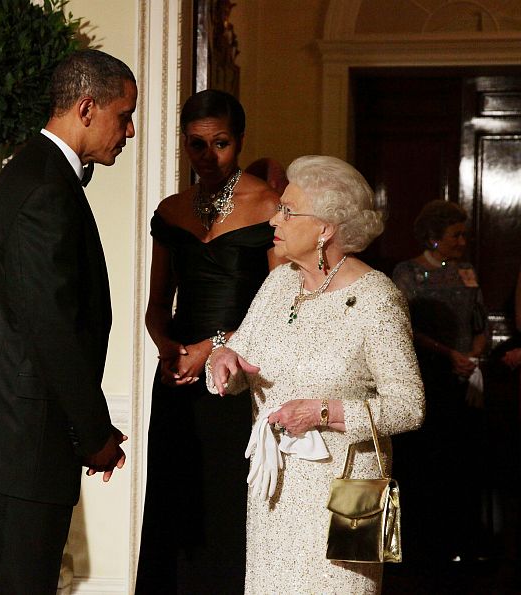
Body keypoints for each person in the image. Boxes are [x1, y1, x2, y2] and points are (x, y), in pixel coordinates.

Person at [0, 49, 135, 594]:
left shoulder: (37, 173)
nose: (128, 131)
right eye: (122, 115)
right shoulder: (44, 188)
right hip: (19, 443)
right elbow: (49, 327)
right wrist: (94, 431)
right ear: (85, 107)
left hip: (20, 440)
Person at [207, 155, 425, 594]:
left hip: (347, 496)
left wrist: (322, 412)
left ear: (324, 229)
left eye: (288, 210)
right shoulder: (280, 283)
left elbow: (409, 407)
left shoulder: (377, 300)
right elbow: (242, 361)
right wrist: (222, 361)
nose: (274, 218)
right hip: (275, 493)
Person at [135, 90, 280, 594]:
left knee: (227, 509)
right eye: (197, 145)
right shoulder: (171, 211)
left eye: (220, 143)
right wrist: (168, 350)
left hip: (239, 378)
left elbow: (280, 311)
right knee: (175, 509)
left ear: (238, 141)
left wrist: (213, 347)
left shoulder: (269, 205)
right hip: (177, 380)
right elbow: (156, 306)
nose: (208, 157)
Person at [392, 199, 488, 562]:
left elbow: (479, 320)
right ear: (433, 237)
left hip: (465, 375)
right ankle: (423, 545)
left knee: (463, 462)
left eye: (464, 235)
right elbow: (404, 327)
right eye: (455, 235)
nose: (462, 242)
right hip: (428, 375)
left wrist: (475, 354)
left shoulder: (466, 270)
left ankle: (461, 541)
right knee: (429, 462)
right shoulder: (409, 273)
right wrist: (449, 355)